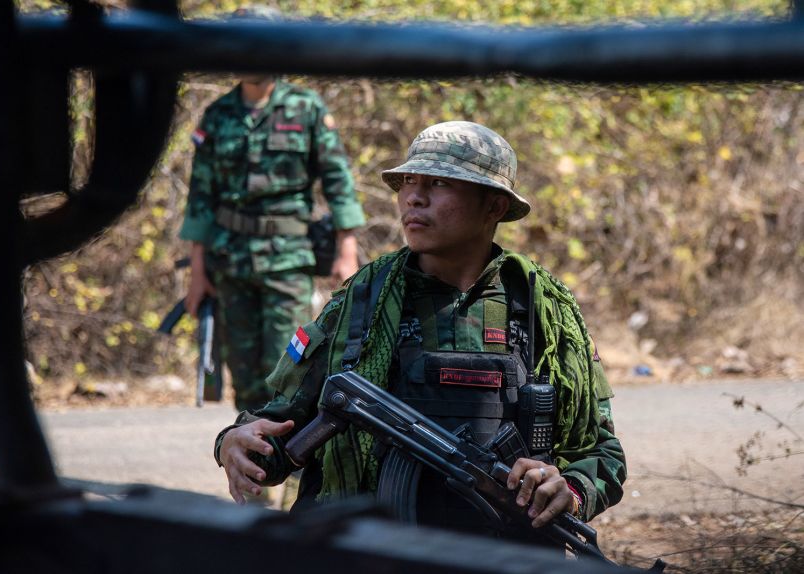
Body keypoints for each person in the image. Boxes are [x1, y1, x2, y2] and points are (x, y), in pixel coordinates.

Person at [213, 121, 626, 540]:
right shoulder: (363, 302)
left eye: (440, 183)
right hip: (370, 555)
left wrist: (569, 491)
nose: (413, 197)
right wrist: (236, 443)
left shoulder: (545, 313)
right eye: (409, 180)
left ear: (494, 206)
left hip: (504, 555)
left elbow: (601, 453)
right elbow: (279, 436)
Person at [179, 6, 365, 412]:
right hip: (230, 265)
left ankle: (295, 471)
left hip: (287, 262)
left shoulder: (306, 109)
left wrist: (345, 250)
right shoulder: (218, 115)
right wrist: (197, 271)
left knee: (291, 371)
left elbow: (338, 182)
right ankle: (253, 473)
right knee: (244, 379)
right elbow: (200, 197)